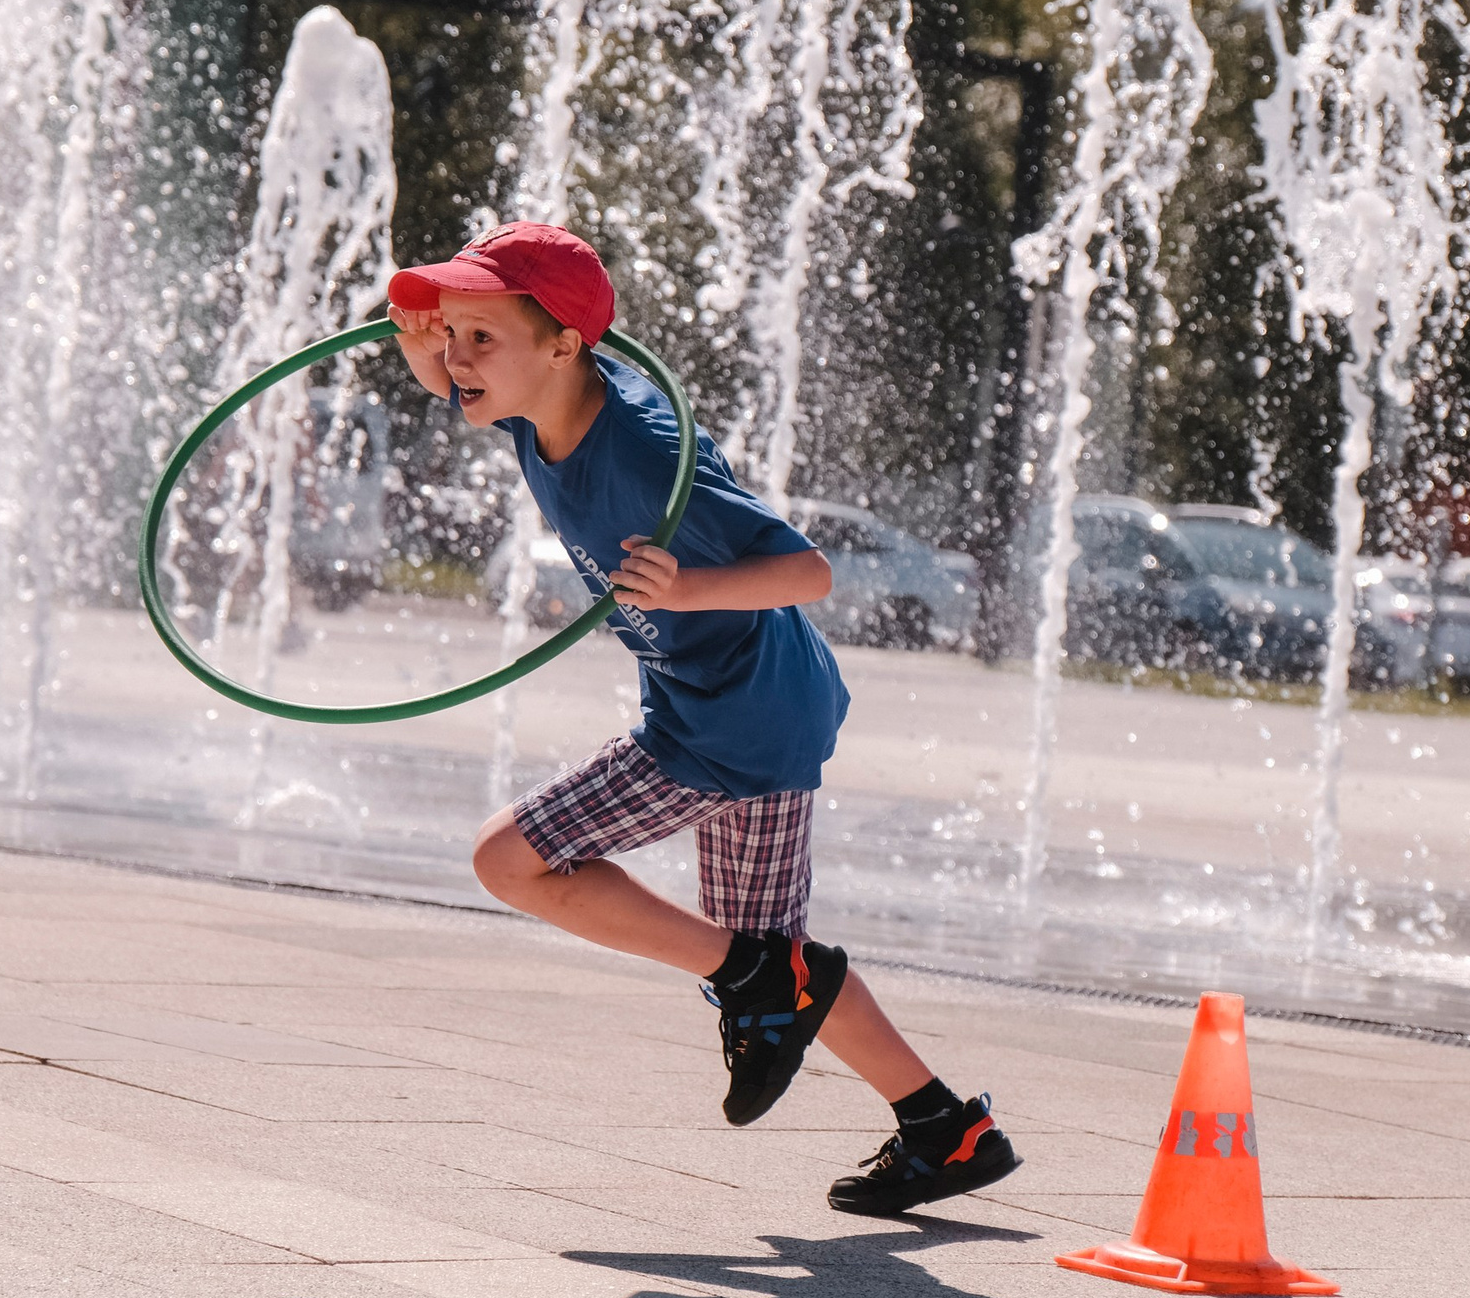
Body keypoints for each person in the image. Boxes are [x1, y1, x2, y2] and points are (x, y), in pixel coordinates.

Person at [386, 222, 1018, 1217]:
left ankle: (756, 977)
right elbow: (449, 372)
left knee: (510, 860)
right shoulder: (530, 403)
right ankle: (946, 1129)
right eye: (446, 336)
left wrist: (686, 591)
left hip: (743, 723)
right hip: (714, 707)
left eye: (476, 338)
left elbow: (809, 571)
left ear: (564, 344)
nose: (451, 361)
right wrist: (426, 334)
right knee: (784, 965)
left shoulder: (643, 451)